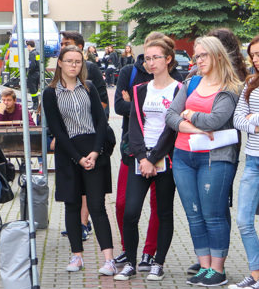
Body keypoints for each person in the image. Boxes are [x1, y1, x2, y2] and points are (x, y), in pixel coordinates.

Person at [166, 36, 242, 287]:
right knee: (194, 214)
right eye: (196, 56)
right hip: (183, 156)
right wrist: (196, 130)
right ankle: (205, 266)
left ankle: (217, 270)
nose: (199, 60)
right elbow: (170, 116)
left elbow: (215, 121)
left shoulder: (230, 88)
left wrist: (192, 116)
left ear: (218, 55)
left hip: (216, 158)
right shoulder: (191, 82)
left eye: (203, 55)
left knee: (213, 213)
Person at [42, 46, 117, 274]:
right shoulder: (50, 93)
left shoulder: (89, 87)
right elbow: (57, 129)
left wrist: (95, 153)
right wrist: (77, 158)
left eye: (78, 62)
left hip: (94, 149)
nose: (74, 65)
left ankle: (109, 259)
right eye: (70, 61)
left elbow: (101, 121)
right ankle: (77, 256)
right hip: (69, 153)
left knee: (97, 206)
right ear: (60, 64)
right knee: (72, 205)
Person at [112, 32, 182, 271]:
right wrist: (143, 158)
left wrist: (154, 158)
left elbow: (172, 129)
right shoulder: (141, 89)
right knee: (130, 211)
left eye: (156, 57)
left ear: (168, 59)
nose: (150, 62)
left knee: (163, 212)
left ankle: (157, 262)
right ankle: (130, 262)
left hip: (166, 159)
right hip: (140, 158)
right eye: (148, 58)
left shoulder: (179, 89)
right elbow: (135, 124)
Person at [231, 36, 259, 289]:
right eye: (254, 55)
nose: (257, 59)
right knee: (244, 219)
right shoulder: (250, 84)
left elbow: (248, 118)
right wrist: (253, 122)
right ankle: (255, 273)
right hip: (252, 161)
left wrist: (254, 117)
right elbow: (237, 119)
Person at [60, 31, 108, 115]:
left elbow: (103, 101)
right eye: (62, 44)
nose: (63, 47)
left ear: (79, 47)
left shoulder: (91, 68)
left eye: (67, 44)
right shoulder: (60, 69)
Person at [26, 40, 41, 110]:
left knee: (33, 90)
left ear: (29, 46)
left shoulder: (32, 53)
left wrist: (29, 71)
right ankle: (37, 104)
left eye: (27, 46)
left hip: (32, 74)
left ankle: (35, 104)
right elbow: (38, 63)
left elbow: (32, 64)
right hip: (38, 73)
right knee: (36, 89)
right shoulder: (37, 52)